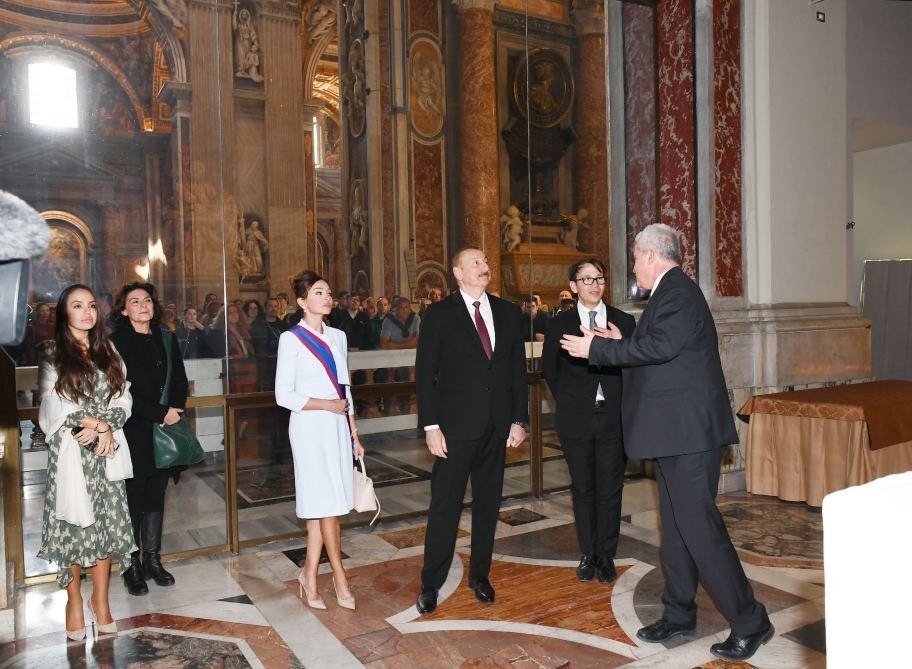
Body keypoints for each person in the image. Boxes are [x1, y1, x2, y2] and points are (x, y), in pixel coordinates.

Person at [561, 223, 773, 661]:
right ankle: (679, 613)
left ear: (654, 256)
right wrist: (624, 340)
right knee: (676, 534)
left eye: (636, 256)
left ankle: (752, 621)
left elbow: (659, 349)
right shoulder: (669, 294)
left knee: (701, 531)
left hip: (691, 437)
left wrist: (596, 351)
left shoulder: (677, 292)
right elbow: (663, 349)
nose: (633, 265)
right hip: (678, 435)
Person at [414, 248, 529, 615]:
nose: (485, 266)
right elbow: (425, 374)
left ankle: (480, 575)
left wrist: (519, 420)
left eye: (485, 261)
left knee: (488, 505)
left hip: (497, 428)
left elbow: (516, 374)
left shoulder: (509, 313)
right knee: (445, 507)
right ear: (457, 271)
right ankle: (431, 582)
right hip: (454, 429)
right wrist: (431, 425)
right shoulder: (439, 314)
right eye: (476, 262)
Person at [37, 284, 135, 640]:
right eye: (78, 306)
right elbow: (52, 405)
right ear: (65, 313)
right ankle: (74, 600)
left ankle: (102, 602)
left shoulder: (107, 350)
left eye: (91, 305)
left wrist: (109, 424)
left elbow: (124, 396)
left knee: (106, 526)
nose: (87, 312)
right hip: (72, 452)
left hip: (106, 451)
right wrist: (93, 423)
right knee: (76, 528)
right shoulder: (52, 353)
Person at [275, 271, 365, 610]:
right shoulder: (291, 339)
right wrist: (326, 405)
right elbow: (283, 395)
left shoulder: (339, 337)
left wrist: (354, 433)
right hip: (310, 428)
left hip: (337, 429)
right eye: (318, 292)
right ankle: (339, 574)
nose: (327, 297)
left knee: (321, 506)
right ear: (301, 301)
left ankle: (309, 575)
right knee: (327, 505)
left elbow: (345, 390)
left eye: (328, 291)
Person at [542, 258, 635, 585]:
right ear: (573, 286)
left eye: (599, 278)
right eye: (586, 279)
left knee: (610, 490)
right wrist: (569, 399)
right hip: (576, 419)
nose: (594, 285)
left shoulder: (623, 321)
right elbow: (549, 369)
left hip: (613, 419)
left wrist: (620, 343)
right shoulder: (559, 323)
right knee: (583, 489)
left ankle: (606, 555)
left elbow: (635, 367)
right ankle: (587, 554)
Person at [111, 282, 188, 597]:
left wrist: (175, 410)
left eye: (147, 300)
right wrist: (160, 412)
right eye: (134, 301)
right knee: (133, 498)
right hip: (132, 429)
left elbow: (180, 379)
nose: (143, 305)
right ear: (124, 309)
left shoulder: (166, 338)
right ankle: (132, 566)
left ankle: (153, 560)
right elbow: (119, 391)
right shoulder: (115, 342)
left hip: (165, 429)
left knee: (156, 495)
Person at [250, 297, 288, 391]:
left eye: (276, 306)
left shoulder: (283, 325)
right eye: (270, 306)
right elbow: (258, 344)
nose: (273, 308)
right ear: (265, 308)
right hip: (264, 365)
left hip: (281, 364)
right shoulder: (257, 324)